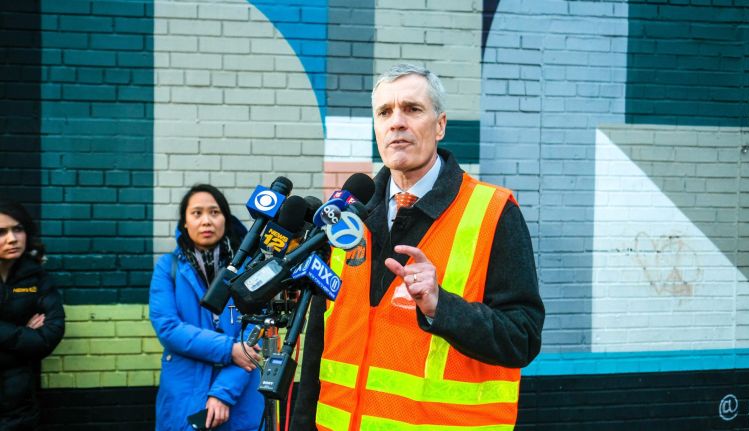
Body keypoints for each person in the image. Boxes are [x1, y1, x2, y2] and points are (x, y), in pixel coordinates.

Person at [291, 64, 545, 430]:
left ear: (440, 124)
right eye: (385, 112)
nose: (396, 122)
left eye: (412, 109)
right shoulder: (347, 216)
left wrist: (441, 306)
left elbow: (522, 338)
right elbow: (318, 342)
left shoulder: (493, 212)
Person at [149, 184, 265, 430]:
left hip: (240, 394)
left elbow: (257, 333)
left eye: (214, 212)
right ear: (184, 223)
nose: (206, 221)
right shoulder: (167, 268)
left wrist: (223, 393)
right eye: (197, 213)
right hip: (185, 394)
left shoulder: (249, 270)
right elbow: (168, 328)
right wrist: (228, 349)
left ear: (225, 219)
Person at [0, 201, 65, 431]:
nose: (12, 239)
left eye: (18, 229)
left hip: (20, 409)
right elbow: (32, 341)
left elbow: (49, 336)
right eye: (1, 232)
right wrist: (25, 334)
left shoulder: (37, 279)